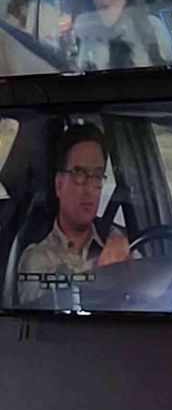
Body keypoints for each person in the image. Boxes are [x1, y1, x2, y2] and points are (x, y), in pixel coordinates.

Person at [15, 123, 129, 308]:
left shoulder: (117, 239)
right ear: (59, 185)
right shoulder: (38, 257)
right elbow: (37, 316)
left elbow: (157, 290)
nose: (89, 189)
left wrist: (132, 265)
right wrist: (99, 270)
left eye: (97, 176)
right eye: (78, 174)